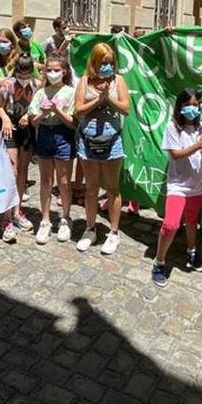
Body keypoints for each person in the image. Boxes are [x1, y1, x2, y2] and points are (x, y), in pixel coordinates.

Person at [151, 89, 202, 286]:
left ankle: (191, 251)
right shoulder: (173, 128)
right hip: (178, 185)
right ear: (179, 106)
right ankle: (159, 261)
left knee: (192, 221)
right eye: (188, 105)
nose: (192, 109)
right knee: (171, 224)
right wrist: (198, 145)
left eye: (196, 105)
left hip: (197, 185)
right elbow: (176, 154)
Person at [73, 43, 130, 254]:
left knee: (112, 189)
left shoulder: (118, 81)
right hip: (88, 143)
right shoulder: (84, 81)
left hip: (112, 142)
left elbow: (126, 109)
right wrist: (98, 99)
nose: (108, 66)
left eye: (111, 63)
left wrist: (109, 98)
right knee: (91, 188)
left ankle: (113, 232)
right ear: (95, 62)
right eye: (103, 62)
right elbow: (78, 109)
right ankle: (90, 228)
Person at [29, 56, 77, 245]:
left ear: (64, 71)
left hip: (63, 135)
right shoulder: (41, 92)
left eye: (56, 70)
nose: (52, 73)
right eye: (49, 69)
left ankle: (65, 218)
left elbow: (73, 123)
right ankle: (45, 220)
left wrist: (57, 111)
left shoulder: (70, 92)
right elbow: (33, 121)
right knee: (46, 180)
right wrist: (42, 113)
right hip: (45, 135)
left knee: (64, 182)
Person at [0, 55, 37, 241]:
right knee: (11, 171)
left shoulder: (36, 85)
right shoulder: (8, 84)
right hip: (10, 127)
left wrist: (29, 115)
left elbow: (37, 106)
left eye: (27, 72)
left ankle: (17, 210)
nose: (24, 75)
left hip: (27, 128)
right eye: (21, 71)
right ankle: (6, 217)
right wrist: (5, 118)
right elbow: (0, 107)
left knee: (23, 171)